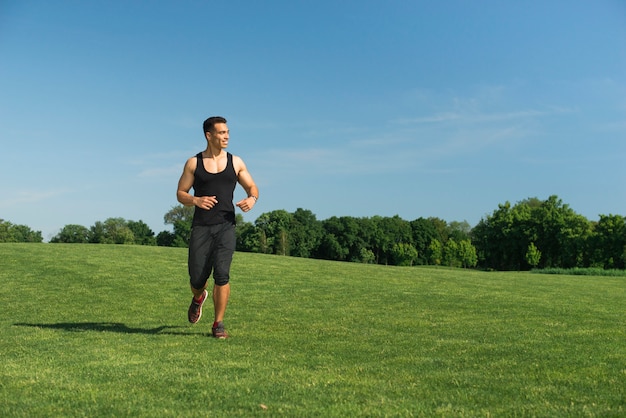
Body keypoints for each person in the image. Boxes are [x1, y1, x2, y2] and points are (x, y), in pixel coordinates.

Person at [176, 116, 259, 339]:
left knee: (222, 274)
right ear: (209, 135)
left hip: (226, 226)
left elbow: (252, 186)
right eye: (222, 133)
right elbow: (181, 193)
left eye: (228, 132)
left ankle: (218, 323)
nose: (227, 136)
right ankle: (197, 297)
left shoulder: (236, 162)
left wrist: (252, 198)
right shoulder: (194, 163)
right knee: (197, 278)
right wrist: (196, 200)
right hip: (202, 227)